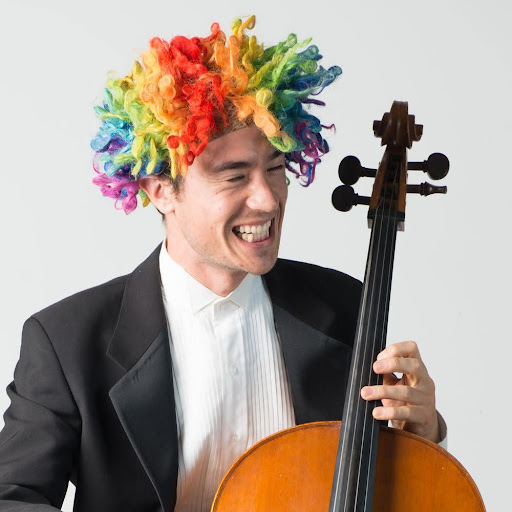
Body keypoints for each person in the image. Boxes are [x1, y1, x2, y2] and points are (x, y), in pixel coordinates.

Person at [0, 16, 445, 512]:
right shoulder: (66, 342)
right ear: (161, 190)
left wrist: (424, 433)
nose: (268, 199)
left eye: (275, 168)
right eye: (234, 177)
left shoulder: (344, 307)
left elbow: (386, 489)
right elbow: (12, 497)